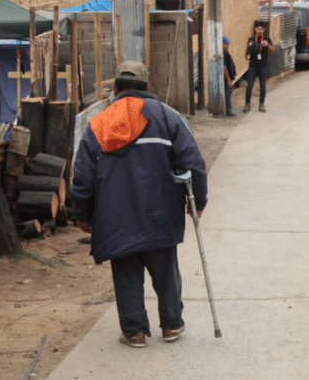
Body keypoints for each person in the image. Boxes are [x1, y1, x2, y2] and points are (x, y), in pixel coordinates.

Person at [69, 61, 208, 349]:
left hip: (115, 216)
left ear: (115, 89)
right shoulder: (170, 117)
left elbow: (82, 176)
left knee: (126, 271)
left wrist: (82, 213)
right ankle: (171, 325)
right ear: (147, 88)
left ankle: (135, 332)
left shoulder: (98, 125)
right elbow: (193, 163)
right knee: (166, 271)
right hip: (161, 212)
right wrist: (199, 200)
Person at [244, 21, 275, 113]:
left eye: (261, 29)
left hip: (263, 65)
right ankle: (247, 104)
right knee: (249, 85)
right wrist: (249, 46)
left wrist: (268, 45)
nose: (260, 31)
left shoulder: (266, 38)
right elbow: (247, 52)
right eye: (258, 29)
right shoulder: (251, 39)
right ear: (255, 29)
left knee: (263, 86)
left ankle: (261, 104)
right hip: (253, 65)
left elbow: (273, 51)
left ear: (264, 30)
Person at [222, 36, 237, 116]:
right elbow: (224, 68)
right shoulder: (223, 54)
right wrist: (228, 79)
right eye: (227, 44)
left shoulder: (226, 52)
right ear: (223, 44)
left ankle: (227, 109)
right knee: (227, 93)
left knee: (228, 92)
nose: (228, 45)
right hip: (225, 79)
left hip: (228, 78)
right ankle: (228, 110)